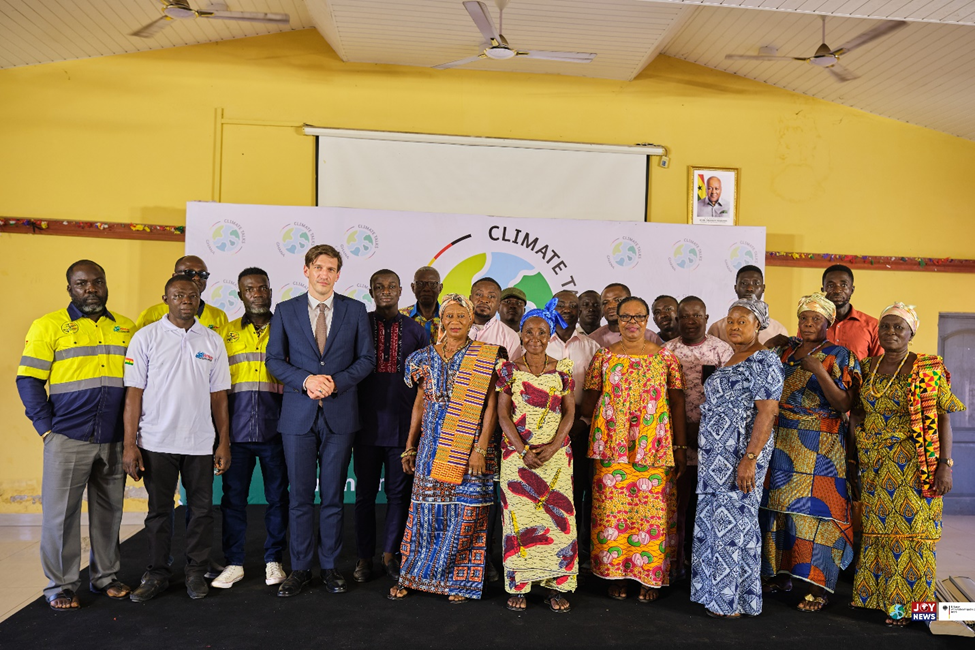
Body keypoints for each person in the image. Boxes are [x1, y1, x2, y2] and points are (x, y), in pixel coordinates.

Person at [16, 260, 134, 610]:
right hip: (67, 437)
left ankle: (105, 577)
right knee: (61, 517)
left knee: (109, 512)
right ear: (70, 289)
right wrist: (46, 429)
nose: (91, 289)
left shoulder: (126, 327)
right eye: (82, 283)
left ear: (106, 284)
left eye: (97, 281)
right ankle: (61, 586)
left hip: (114, 437)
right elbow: (29, 379)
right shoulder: (48, 325)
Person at [265, 244, 375, 597]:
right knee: (299, 497)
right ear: (306, 270)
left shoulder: (355, 310)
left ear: (338, 275)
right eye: (318, 267)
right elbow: (273, 360)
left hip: (340, 415)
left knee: (332, 496)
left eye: (331, 269)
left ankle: (329, 567)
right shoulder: (285, 310)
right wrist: (306, 380)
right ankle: (300, 569)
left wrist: (335, 383)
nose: (324, 274)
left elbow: (367, 359)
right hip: (298, 416)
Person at [850, 303, 964, 627]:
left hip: (915, 465)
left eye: (898, 327)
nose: (891, 332)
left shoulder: (927, 367)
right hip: (875, 466)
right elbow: (857, 412)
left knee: (913, 535)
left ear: (911, 332)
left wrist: (945, 465)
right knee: (878, 533)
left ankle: (907, 609)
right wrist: (856, 451)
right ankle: (878, 600)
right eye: (885, 326)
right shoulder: (867, 367)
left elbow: (943, 418)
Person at [388, 294, 504, 603]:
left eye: (461, 316)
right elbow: (419, 404)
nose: (455, 321)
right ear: (441, 320)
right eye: (449, 316)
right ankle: (415, 576)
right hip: (431, 446)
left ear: (471, 320)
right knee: (425, 512)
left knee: (467, 514)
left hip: (471, 444)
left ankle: (459, 582)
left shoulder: (486, 356)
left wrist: (480, 449)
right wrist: (410, 447)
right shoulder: (422, 358)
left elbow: (491, 406)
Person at [122, 276, 232, 602]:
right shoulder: (146, 337)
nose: (186, 300)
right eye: (178, 295)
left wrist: (223, 441)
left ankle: (195, 571)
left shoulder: (212, 340)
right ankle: (157, 573)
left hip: (200, 443)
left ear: (200, 299)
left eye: (192, 295)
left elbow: (219, 397)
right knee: (159, 513)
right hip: (155, 442)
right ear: (165, 299)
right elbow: (133, 394)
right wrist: (130, 444)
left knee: (201, 512)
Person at [582, 296, 687, 603]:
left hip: (653, 447)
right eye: (625, 317)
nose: (631, 322)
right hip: (611, 449)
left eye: (638, 317)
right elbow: (589, 400)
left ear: (646, 320)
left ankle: (648, 577)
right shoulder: (603, 357)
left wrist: (680, 446)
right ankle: (617, 575)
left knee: (649, 516)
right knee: (612, 514)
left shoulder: (665, 358)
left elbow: (677, 402)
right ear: (616, 321)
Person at [760, 293, 859, 612]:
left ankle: (818, 587)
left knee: (816, 516)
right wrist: (768, 345)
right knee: (778, 511)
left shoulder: (839, 354)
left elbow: (845, 403)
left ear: (829, 322)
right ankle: (780, 577)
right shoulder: (785, 350)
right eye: (804, 318)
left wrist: (819, 370)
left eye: (816, 319)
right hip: (781, 441)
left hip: (821, 447)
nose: (808, 323)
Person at [691, 299, 783, 618]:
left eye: (742, 321)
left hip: (740, 456)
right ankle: (721, 597)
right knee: (716, 523)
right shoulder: (732, 357)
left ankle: (731, 602)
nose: (734, 326)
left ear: (758, 325)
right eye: (730, 320)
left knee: (736, 524)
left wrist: (750, 458)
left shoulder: (764, 360)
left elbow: (767, 412)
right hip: (715, 460)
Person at [496, 299, 578, 613]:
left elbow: (570, 413)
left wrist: (555, 446)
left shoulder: (563, 369)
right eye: (529, 332)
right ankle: (520, 585)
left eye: (542, 332)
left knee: (558, 522)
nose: (535, 338)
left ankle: (556, 586)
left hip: (555, 459)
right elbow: (503, 415)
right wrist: (523, 450)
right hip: (518, 459)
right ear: (520, 334)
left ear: (550, 335)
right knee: (519, 521)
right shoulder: (508, 370)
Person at [210, 268, 288, 590]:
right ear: (240, 295)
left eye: (261, 288)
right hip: (236, 434)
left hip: (277, 431)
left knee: (278, 498)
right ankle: (234, 563)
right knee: (233, 500)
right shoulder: (224, 334)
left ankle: (274, 560)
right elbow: (217, 389)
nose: (257, 293)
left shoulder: (287, 329)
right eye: (249, 289)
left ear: (270, 290)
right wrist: (221, 438)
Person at [353, 270, 429, 584]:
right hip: (364, 426)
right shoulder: (358, 325)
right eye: (379, 287)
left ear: (400, 291)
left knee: (398, 495)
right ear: (371, 291)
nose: (386, 291)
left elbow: (425, 385)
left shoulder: (416, 331)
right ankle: (363, 557)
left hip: (402, 429)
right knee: (364, 496)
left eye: (391, 286)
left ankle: (390, 555)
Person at [663, 296, 734, 577]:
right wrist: (682, 432)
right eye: (684, 316)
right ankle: (674, 564)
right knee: (676, 507)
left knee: (707, 507)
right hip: (675, 441)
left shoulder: (722, 351)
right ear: (677, 320)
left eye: (696, 316)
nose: (690, 321)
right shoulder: (667, 351)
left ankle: (703, 567)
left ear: (706, 318)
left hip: (713, 442)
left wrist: (703, 428)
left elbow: (730, 399)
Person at [546, 290, 600, 566]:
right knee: (546, 490)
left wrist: (583, 423)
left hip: (580, 429)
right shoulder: (537, 340)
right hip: (544, 430)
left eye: (572, 305)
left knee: (577, 489)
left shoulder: (592, 347)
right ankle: (547, 549)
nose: (566, 309)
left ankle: (574, 551)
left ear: (579, 311)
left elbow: (598, 389)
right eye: (561, 304)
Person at [134, 256, 228, 332]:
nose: (197, 278)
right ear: (174, 276)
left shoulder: (219, 316)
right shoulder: (151, 315)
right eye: (190, 273)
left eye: (202, 274)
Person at [708, 266, 788, 345]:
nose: (749, 288)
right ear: (736, 288)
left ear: (763, 288)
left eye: (756, 283)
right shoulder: (717, 329)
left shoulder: (778, 330)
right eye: (744, 283)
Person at [820, 264, 882, 362]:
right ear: (823, 290)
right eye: (831, 285)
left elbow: (878, 365)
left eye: (843, 285)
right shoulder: (811, 323)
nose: (837, 291)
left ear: (852, 290)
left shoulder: (873, 326)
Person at [589, 284, 663, 348]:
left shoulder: (651, 338)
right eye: (605, 303)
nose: (610, 306)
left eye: (617, 300)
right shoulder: (592, 341)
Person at [469, 277, 522, 359]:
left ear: (499, 304)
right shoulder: (454, 329)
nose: (484, 300)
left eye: (491, 296)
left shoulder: (510, 336)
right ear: (470, 299)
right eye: (479, 294)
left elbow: (514, 367)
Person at [400, 266, 442, 344]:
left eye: (432, 284)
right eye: (420, 284)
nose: (426, 289)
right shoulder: (400, 317)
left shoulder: (450, 317)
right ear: (413, 287)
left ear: (440, 288)